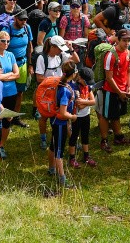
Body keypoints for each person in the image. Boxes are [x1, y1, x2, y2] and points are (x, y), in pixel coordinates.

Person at [98, 28, 130, 152]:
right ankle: (104, 141)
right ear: (118, 40)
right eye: (124, 40)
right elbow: (109, 77)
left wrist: (129, 86)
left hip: (123, 90)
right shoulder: (111, 55)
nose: (127, 43)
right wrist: (119, 92)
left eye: (129, 40)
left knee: (116, 115)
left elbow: (129, 70)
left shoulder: (128, 53)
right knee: (105, 115)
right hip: (111, 91)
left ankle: (118, 137)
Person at [47, 61, 78, 192]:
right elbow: (63, 112)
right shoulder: (65, 90)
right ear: (74, 74)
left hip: (54, 120)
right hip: (60, 123)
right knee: (59, 151)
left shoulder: (61, 83)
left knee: (53, 145)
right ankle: (62, 179)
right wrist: (72, 117)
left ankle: (51, 168)